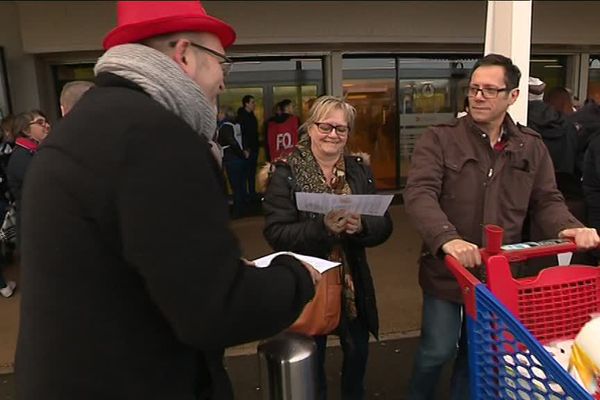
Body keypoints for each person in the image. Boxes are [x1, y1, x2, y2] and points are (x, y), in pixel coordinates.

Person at [15, 2, 320, 400]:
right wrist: (296, 275)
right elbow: (217, 311)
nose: (224, 84)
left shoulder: (84, 126)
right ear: (185, 55)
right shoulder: (159, 137)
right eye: (223, 66)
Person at [403, 53, 600, 400]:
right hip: (448, 272)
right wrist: (447, 239)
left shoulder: (531, 145)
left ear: (512, 96)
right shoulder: (440, 138)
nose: (478, 96)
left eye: (490, 90)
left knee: (480, 355)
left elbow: (547, 200)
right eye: (475, 89)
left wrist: (569, 226)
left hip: (500, 275)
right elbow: (419, 194)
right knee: (437, 350)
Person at [262, 95, 393, 400]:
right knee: (312, 363)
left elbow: (384, 224)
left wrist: (362, 227)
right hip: (310, 282)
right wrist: (322, 229)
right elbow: (276, 233)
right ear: (310, 128)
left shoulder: (359, 170)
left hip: (353, 282)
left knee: (358, 353)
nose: (333, 135)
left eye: (341, 129)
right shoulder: (287, 173)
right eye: (326, 127)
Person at [217, 106, 247, 218]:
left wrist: (240, 154)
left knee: (235, 186)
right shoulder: (235, 125)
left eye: (220, 112)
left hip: (232, 158)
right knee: (241, 184)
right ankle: (243, 207)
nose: (218, 115)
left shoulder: (224, 127)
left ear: (225, 114)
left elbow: (232, 142)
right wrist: (243, 153)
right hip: (238, 159)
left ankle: (238, 211)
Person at [237, 94, 259, 202]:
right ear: (246, 104)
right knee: (246, 175)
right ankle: (247, 198)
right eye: (252, 102)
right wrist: (246, 148)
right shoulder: (242, 117)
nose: (254, 105)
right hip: (248, 151)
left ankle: (251, 196)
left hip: (253, 149)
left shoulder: (251, 116)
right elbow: (243, 134)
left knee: (251, 175)